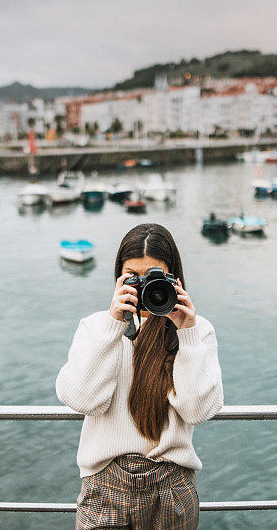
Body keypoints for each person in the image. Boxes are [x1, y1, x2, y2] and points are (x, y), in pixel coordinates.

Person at [56, 223, 223, 530]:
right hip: (105, 488)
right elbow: (81, 399)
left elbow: (198, 411)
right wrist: (113, 325)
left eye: (155, 276)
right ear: (118, 278)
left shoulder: (197, 331)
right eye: (133, 277)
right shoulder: (96, 328)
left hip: (172, 489)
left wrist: (186, 332)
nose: (145, 287)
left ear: (176, 279)